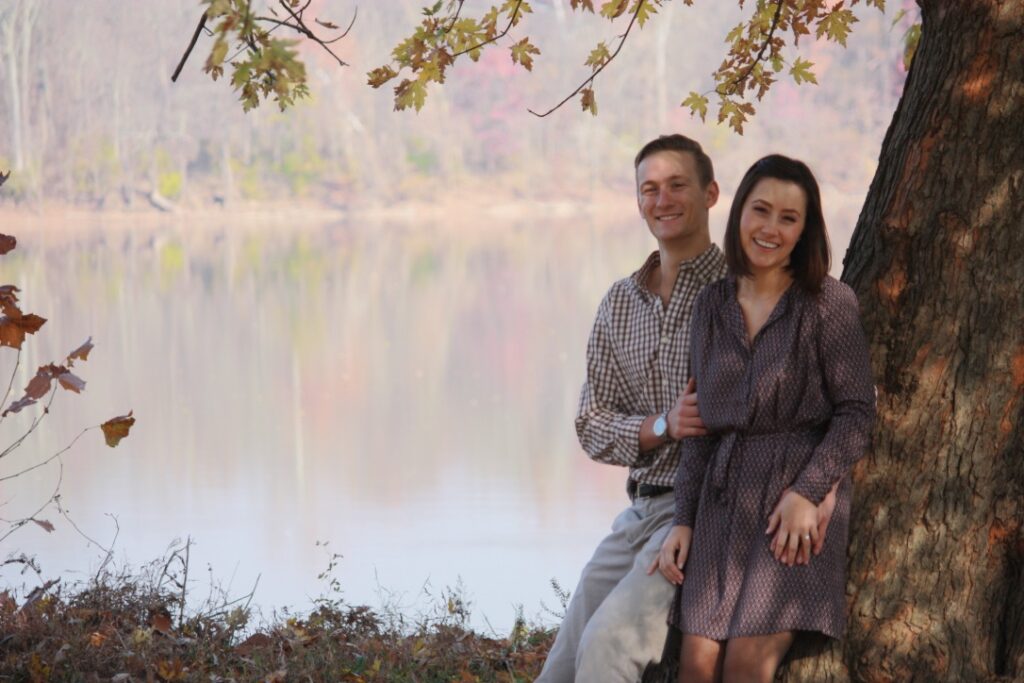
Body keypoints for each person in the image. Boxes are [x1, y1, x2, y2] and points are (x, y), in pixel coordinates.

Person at [536, 137, 837, 683]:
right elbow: (590, 424)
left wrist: (819, 488)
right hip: (638, 509)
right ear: (637, 201)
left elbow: (810, 409)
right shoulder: (619, 302)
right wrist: (661, 425)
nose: (663, 199)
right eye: (649, 189)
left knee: (609, 647)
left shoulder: (740, 292)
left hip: (704, 510)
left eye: (677, 185)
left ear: (711, 194)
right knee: (559, 665)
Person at [654, 154, 876, 683]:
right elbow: (702, 430)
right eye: (761, 210)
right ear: (739, 214)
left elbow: (856, 412)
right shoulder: (710, 305)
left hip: (791, 505)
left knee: (745, 668)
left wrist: (809, 489)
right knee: (696, 667)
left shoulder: (828, 303)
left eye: (789, 218)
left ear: (805, 230)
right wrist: (684, 518)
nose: (771, 229)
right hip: (722, 501)